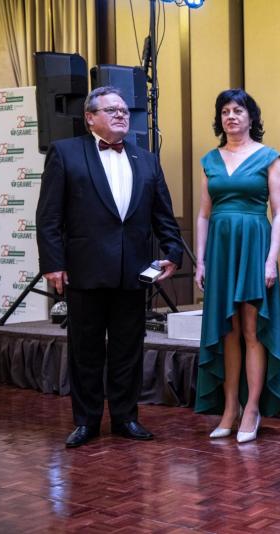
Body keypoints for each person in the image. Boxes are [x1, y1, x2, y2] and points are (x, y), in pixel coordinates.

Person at [36, 86, 183, 448]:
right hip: (85, 270)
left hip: (133, 271)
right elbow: (49, 216)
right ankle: (86, 422)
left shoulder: (146, 159)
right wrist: (53, 264)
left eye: (124, 110)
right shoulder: (65, 153)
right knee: (85, 350)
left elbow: (163, 213)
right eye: (112, 109)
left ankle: (125, 417)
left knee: (127, 349)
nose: (121, 114)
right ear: (90, 117)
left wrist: (173, 251)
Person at [193, 89, 280, 443]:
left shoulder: (269, 158)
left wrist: (270, 260)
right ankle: (230, 407)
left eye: (238, 110)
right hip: (220, 249)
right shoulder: (210, 160)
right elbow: (203, 215)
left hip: (254, 246)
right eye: (225, 111)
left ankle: (252, 408)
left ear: (251, 117)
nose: (231, 116)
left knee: (251, 329)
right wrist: (200, 260)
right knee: (228, 330)